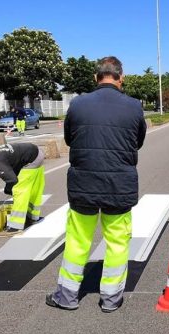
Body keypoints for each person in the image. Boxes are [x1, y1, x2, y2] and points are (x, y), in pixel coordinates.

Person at [47, 56, 146, 313]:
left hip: (83, 184)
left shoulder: (78, 104)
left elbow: (70, 138)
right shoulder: (134, 106)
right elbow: (138, 142)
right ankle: (111, 299)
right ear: (121, 77)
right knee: (117, 241)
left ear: (96, 77)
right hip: (118, 185)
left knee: (78, 240)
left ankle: (67, 296)